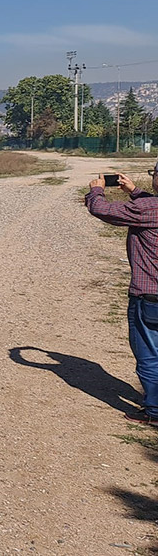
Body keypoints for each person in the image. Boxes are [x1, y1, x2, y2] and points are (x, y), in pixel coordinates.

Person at [86, 164, 158, 427]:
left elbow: (101, 209)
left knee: (150, 356)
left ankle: (155, 411)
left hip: (149, 296)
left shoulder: (149, 210)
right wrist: (135, 191)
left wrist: (96, 191)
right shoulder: (148, 206)